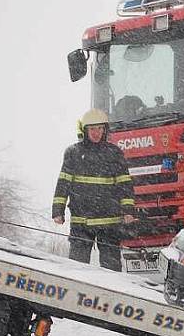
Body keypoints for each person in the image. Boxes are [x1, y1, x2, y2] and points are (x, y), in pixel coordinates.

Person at [52, 108, 136, 271]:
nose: (96, 133)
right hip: (81, 223)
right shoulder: (73, 153)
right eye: (92, 129)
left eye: (100, 128)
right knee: (77, 269)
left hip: (110, 224)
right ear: (85, 130)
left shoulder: (115, 153)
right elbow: (63, 184)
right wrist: (58, 211)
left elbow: (125, 185)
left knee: (112, 271)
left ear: (105, 130)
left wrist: (128, 211)